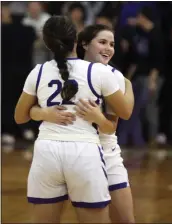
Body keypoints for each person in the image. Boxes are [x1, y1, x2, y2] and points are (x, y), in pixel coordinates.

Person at [14, 16, 134, 223]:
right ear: (80, 42)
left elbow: (20, 115)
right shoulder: (100, 73)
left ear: (47, 43)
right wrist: (43, 113)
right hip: (86, 151)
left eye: (111, 44)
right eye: (102, 42)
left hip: (50, 149)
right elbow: (120, 117)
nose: (108, 48)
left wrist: (42, 113)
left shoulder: (39, 71)